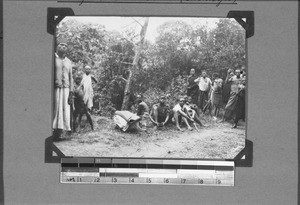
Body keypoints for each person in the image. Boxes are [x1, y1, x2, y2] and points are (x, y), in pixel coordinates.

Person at [53, 39, 74, 141]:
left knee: (64, 110)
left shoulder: (68, 62)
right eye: (61, 45)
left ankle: (59, 134)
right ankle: (52, 133)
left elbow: (71, 77)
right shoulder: (52, 58)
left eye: (66, 45)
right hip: (55, 88)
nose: (64, 47)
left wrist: (71, 92)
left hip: (66, 89)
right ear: (57, 46)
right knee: (55, 109)